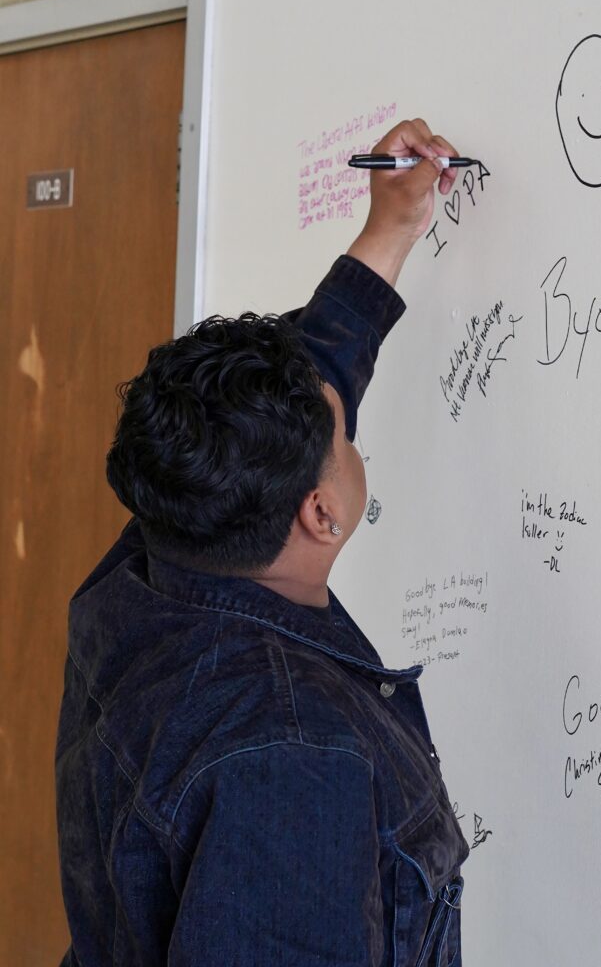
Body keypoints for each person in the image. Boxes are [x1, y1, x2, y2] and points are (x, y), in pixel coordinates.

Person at [55, 118, 470, 966]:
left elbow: (313, 369)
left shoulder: (155, 553)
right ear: (320, 514)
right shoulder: (291, 759)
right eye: (342, 433)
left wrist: (387, 228)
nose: (349, 425)